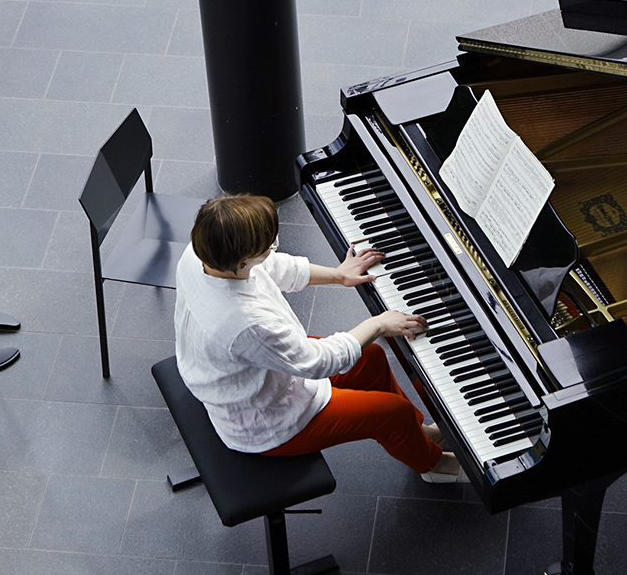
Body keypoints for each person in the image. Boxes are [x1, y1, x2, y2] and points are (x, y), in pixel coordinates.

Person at [173, 193, 465, 482]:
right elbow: (317, 363)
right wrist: (378, 325)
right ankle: (435, 466)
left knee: (372, 358)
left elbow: (272, 266)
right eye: (268, 245)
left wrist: (339, 275)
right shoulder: (245, 323)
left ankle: (417, 434)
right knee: (393, 413)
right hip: (267, 419)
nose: (273, 248)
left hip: (253, 372)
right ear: (242, 260)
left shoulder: (202, 252)